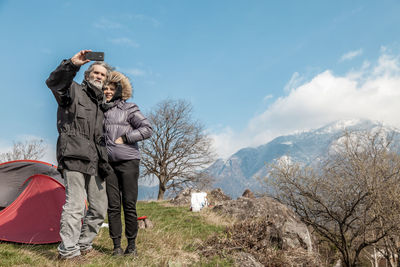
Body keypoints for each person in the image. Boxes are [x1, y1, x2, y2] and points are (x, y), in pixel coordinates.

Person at [46, 50, 113, 260]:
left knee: (100, 208)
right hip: (74, 155)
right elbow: (54, 82)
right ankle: (68, 252)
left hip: (96, 161)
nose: (99, 76)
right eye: (96, 73)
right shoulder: (73, 91)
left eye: (103, 74)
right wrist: (73, 64)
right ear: (87, 74)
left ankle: (84, 245)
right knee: (75, 206)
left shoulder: (101, 105)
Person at [102, 71, 152, 256]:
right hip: (108, 165)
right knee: (113, 206)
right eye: (105, 88)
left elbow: (147, 129)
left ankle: (132, 246)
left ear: (119, 90)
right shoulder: (99, 111)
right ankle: (116, 247)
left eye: (111, 88)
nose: (107, 91)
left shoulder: (129, 108)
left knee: (129, 205)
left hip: (129, 162)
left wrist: (125, 137)